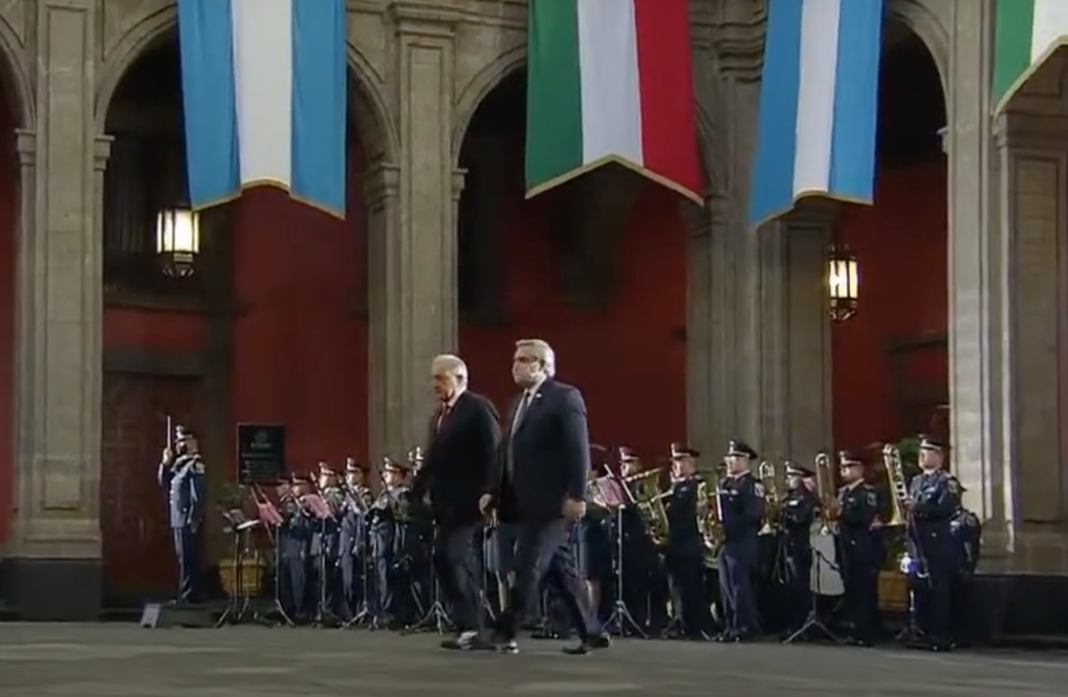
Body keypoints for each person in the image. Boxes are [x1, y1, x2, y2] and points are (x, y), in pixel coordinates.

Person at [483, 338, 611, 655]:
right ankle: (591, 632)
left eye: (523, 360)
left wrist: (578, 495)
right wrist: (494, 492)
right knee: (561, 570)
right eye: (515, 360)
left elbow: (578, 448)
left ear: (542, 365)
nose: (515, 366)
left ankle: (505, 632)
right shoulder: (516, 404)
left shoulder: (564, 397)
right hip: (521, 501)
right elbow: (508, 454)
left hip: (552, 502)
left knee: (529, 566)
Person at [411, 354, 502, 651]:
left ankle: (476, 627)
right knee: (451, 561)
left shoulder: (477, 408)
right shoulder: (440, 416)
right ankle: (473, 628)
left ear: (460, 378)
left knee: (450, 556)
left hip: (470, 502)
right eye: (433, 378)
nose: (434, 384)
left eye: (440, 377)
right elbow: (432, 459)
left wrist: (491, 492)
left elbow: (494, 452)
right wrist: (416, 491)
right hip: (445, 504)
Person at [904, 435, 960, 652]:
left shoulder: (946, 482)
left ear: (939, 456)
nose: (922, 455)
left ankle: (940, 636)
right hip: (917, 542)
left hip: (937, 543)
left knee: (938, 590)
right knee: (919, 589)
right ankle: (921, 631)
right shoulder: (916, 481)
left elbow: (946, 508)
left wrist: (916, 507)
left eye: (927, 452)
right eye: (921, 451)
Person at [832, 451, 883, 647]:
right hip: (845, 546)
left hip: (862, 548)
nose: (844, 470)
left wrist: (841, 512)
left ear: (860, 469)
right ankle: (855, 629)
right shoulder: (843, 492)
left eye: (849, 466)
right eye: (842, 467)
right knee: (851, 590)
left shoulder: (867, 493)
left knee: (864, 592)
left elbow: (864, 518)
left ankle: (866, 632)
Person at [716, 440, 764, 641]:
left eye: (734, 458)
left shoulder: (752, 485)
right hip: (725, 543)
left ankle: (744, 626)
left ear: (745, 460)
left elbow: (754, 514)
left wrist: (728, 524)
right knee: (726, 586)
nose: (730, 461)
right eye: (729, 457)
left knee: (739, 587)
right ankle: (730, 625)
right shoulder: (725, 484)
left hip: (742, 541)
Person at [663, 444, 713, 638]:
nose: (675, 466)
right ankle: (679, 619)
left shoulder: (695, 485)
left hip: (688, 541)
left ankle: (689, 624)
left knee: (689, 586)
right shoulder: (675, 486)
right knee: (675, 585)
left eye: (679, 461)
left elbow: (684, 510)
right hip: (674, 542)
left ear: (689, 463)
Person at [157, 425, 205, 604]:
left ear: (192, 441)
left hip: (187, 519)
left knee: (188, 559)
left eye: (182, 440)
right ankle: (185, 593)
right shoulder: (180, 465)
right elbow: (164, 482)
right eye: (177, 440)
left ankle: (189, 595)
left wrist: (194, 519)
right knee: (182, 558)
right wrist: (165, 463)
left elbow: (198, 495)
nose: (178, 444)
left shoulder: (195, 464)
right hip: (177, 519)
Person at [779, 462, 820, 635]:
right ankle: (792, 624)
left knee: (800, 586)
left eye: (792, 476)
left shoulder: (806, 497)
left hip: (800, 546)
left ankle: (801, 625)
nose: (788, 479)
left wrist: (784, 513)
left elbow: (801, 517)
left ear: (800, 478)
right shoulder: (788, 496)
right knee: (790, 587)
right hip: (787, 545)